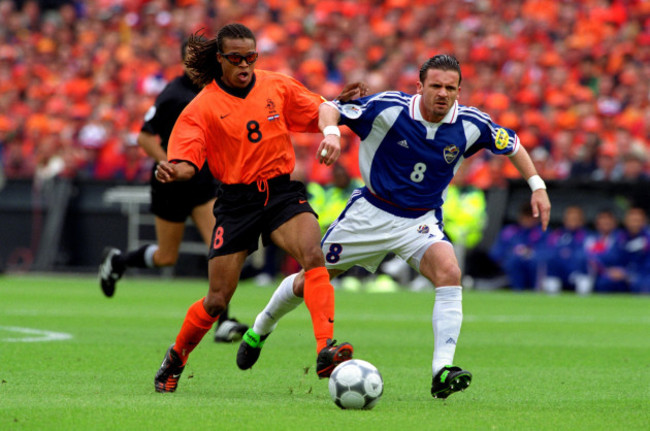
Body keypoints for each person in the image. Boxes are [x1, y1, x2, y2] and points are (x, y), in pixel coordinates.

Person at [236, 54, 551, 399]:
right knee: (309, 280)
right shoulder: (389, 108)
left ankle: (442, 371)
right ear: (420, 86)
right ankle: (260, 328)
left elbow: (514, 145)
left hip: (420, 220)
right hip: (369, 214)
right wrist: (331, 134)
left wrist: (538, 186)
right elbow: (330, 108)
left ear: (459, 90)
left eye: (450, 88)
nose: (443, 94)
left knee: (449, 271)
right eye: (435, 86)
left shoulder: (472, 124)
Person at [151, 24, 368, 393]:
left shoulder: (277, 86)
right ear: (220, 59)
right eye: (236, 58)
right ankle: (176, 357)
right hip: (237, 202)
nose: (245, 65)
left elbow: (318, 111)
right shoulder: (200, 108)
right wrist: (176, 170)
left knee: (314, 255)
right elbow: (187, 160)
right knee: (218, 300)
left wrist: (336, 104)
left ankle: (325, 350)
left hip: (281, 192)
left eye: (250, 57)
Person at [98, 37, 249, 343]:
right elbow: (144, 137)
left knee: (219, 247)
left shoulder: (216, 90)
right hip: (171, 183)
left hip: (202, 183)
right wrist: (168, 162)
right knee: (167, 256)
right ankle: (118, 262)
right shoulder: (173, 95)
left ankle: (224, 321)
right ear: (183, 62)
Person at [489, 202, 547, 290]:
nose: (528, 220)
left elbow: (548, 253)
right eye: (526, 216)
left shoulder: (542, 232)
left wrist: (530, 254)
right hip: (511, 270)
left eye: (531, 217)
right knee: (513, 261)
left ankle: (535, 292)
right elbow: (495, 253)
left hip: (533, 269)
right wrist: (513, 253)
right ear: (520, 216)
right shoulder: (509, 232)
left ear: (536, 218)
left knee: (536, 262)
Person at [539, 205, 592, 294]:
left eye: (575, 218)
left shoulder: (588, 236)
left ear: (582, 221)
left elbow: (591, 254)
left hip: (579, 274)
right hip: (557, 273)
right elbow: (547, 251)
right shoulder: (556, 234)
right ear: (564, 219)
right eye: (570, 218)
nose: (572, 221)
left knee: (581, 260)